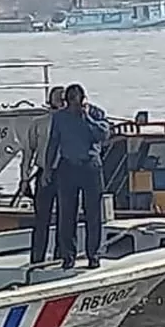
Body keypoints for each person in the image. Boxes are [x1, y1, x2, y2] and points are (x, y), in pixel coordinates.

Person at [46, 83, 111, 269]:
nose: (73, 107)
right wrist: (49, 169)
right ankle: (68, 256)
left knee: (93, 213)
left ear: (83, 100)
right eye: (70, 103)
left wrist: (87, 118)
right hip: (67, 167)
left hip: (90, 167)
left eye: (76, 103)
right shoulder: (59, 117)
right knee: (67, 214)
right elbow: (53, 143)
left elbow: (103, 135)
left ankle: (94, 255)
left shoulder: (96, 114)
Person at [19, 85, 65, 264]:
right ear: (50, 100)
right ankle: (37, 258)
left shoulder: (71, 122)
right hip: (42, 173)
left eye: (63, 98)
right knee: (41, 219)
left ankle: (61, 256)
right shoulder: (39, 122)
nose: (60, 101)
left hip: (64, 173)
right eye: (57, 98)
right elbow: (28, 152)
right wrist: (24, 178)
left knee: (64, 218)